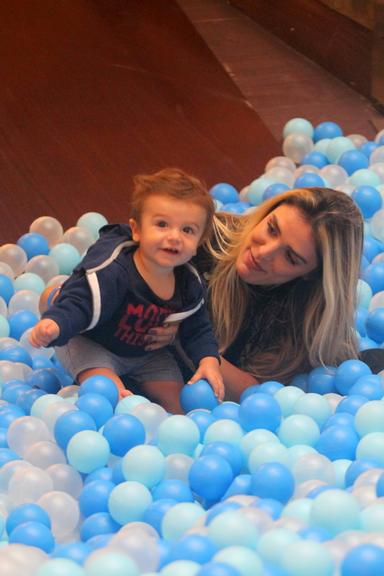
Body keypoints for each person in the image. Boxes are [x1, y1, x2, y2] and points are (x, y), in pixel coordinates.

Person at [146, 186, 370, 401]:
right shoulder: (203, 236)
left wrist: (186, 336)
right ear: (266, 214)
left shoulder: (297, 319)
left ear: (312, 275)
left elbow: (254, 395)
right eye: (271, 228)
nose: (264, 253)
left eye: (291, 258)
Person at [29, 168, 224, 413]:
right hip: (92, 343)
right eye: (162, 224)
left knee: (179, 405)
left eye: (188, 230)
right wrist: (56, 324)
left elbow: (198, 327)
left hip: (145, 355)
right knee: (112, 395)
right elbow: (81, 301)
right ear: (137, 230)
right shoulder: (114, 271)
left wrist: (208, 359)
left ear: (199, 242)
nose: (175, 237)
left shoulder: (189, 282)